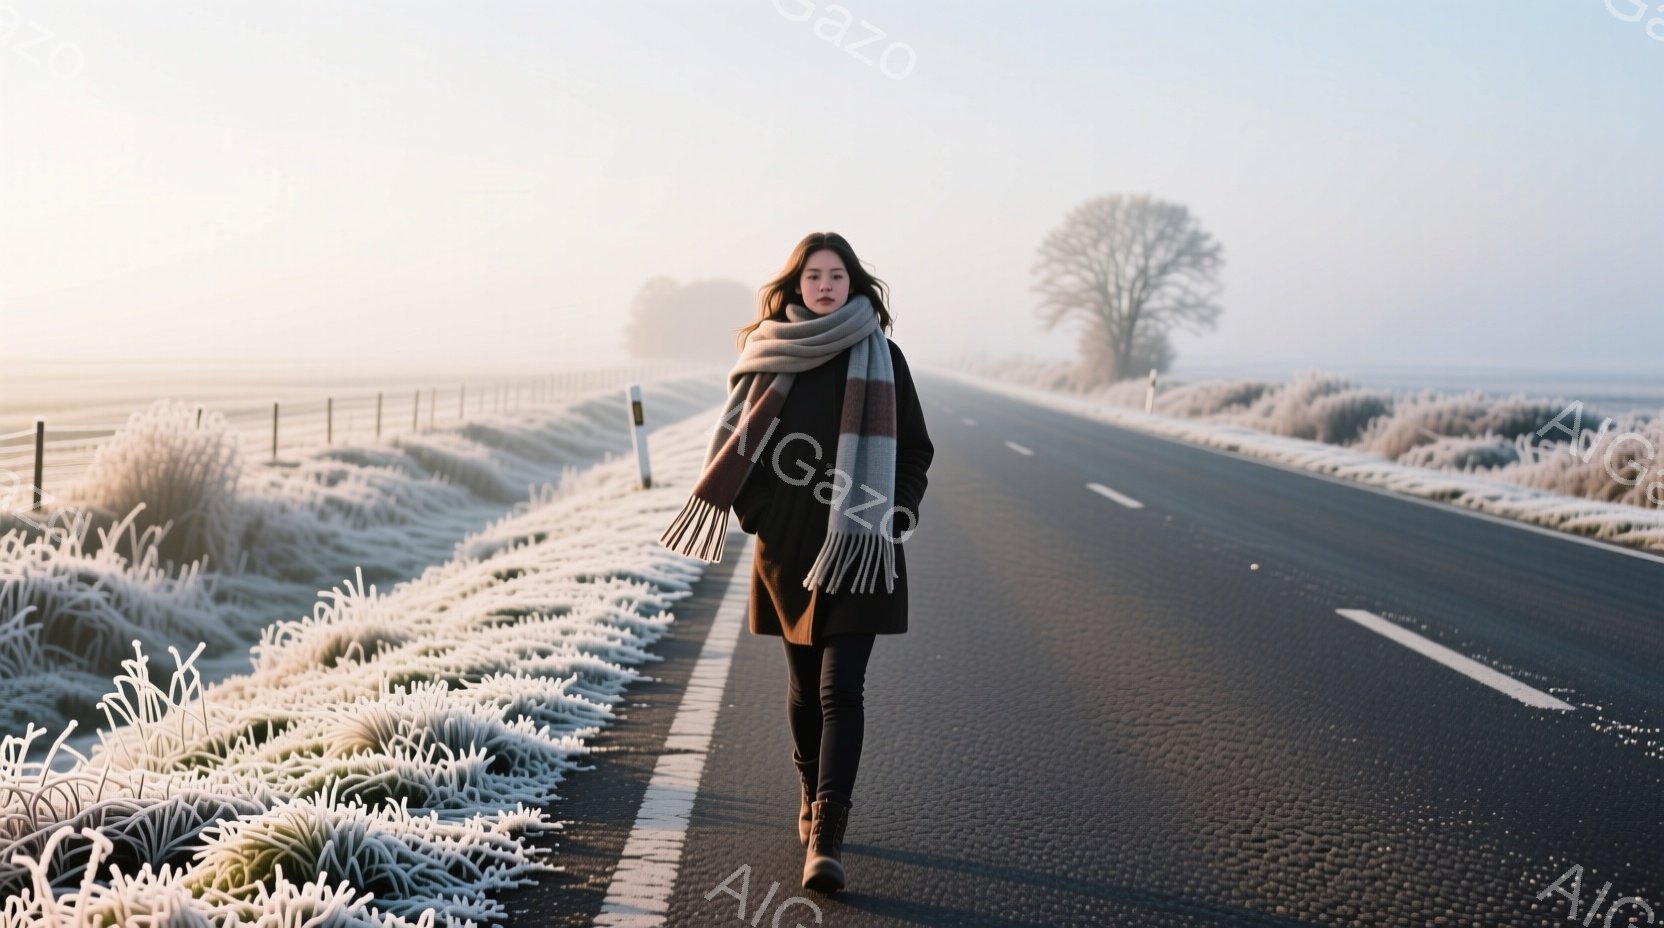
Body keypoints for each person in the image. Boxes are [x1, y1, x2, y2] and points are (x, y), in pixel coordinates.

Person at [659, 231, 933, 894]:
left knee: (843, 689)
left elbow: (916, 452)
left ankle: (827, 841)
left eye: (838, 276)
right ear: (796, 285)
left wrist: (892, 514)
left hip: (863, 549)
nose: (826, 286)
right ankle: (808, 789)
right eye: (815, 276)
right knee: (805, 690)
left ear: (855, 285)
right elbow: (733, 446)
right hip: (787, 550)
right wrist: (762, 519)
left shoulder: (883, 357)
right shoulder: (769, 354)